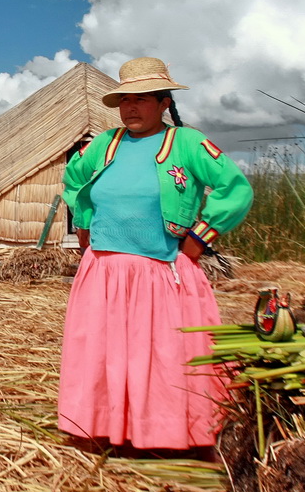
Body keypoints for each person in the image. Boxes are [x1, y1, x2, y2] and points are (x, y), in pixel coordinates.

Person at [59, 57, 253, 453]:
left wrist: (198, 240)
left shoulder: (187, 143)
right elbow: (74, 180)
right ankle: (107, 430)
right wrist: (84, 228)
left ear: (164, 102)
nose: (131, 108)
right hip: (104, 272)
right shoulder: (102, 144)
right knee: (104, 353)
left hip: (162, 272)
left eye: (142, 99)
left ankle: (163, 436)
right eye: (125, 99)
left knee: (164, 357)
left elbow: (236, 190)